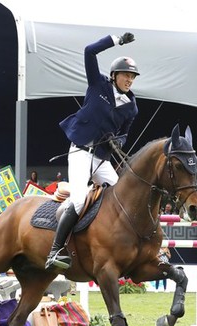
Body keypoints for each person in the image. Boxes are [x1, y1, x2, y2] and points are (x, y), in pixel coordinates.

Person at [46, 32, 139, 272]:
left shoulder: (132, 107)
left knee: (122, 196)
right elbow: (89, 50)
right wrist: (115, 39)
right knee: (78, 199)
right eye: (126, 75)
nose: (129, 80)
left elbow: (125, 134)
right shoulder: (98, 84)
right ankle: (55, 249)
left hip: (101, 159)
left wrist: (118, 140)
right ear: (115, 75)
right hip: (80, 152)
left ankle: (119, 246)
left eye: (132, 76)